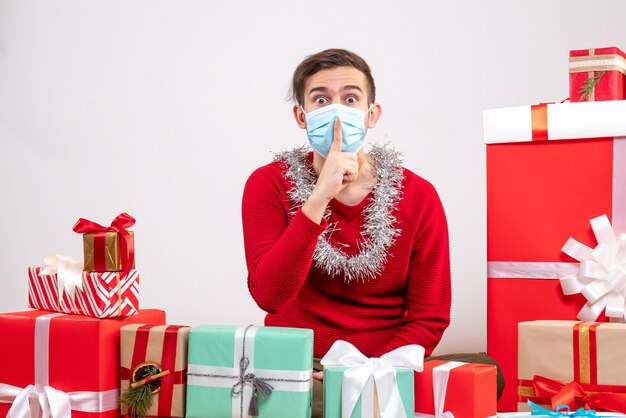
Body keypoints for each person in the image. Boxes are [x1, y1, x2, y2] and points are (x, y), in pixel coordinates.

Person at [241, 48, 502, 417]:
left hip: (387, 362)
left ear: (371, 114)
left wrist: (365, 372)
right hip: (302, 368)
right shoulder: (267, 184)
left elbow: (430, 317)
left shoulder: (417, 195)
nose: (335, 110)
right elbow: (269, 295)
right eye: (320, 99)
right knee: (303, 403)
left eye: (350, 98)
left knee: (489, 375)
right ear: (301, 116)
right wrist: (318, 198)